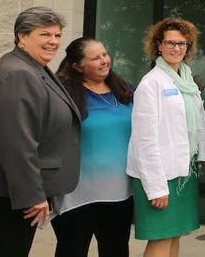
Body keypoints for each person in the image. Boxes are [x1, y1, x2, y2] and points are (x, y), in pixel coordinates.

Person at [0, 7, 81, 257]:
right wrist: (32, 195)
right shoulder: (17, 74)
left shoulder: (33, 67)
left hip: (7, 190)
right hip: (0, 192)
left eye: (57, 35)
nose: (53, 42)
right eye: (45, 35)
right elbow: (17, 143)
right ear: (22, 36)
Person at [127, 18, 205, 257]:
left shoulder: (187, 81)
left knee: (174, 236)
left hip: (183, 171)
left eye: (182, 43)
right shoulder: (151, 84)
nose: (177, 48)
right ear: (158, 46)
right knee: (160, 239)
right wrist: (156, 188)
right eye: (170, 43)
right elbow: (145, 140)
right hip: (159, 175)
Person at [52, 37, 135, 257]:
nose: (104, 61)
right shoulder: (63, 95)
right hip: (76, 193)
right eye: (95, 58)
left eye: (105, 54)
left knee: (116, 251)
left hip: (120, 192)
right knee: (72, 251)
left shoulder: (125, 90)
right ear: (77, 66)